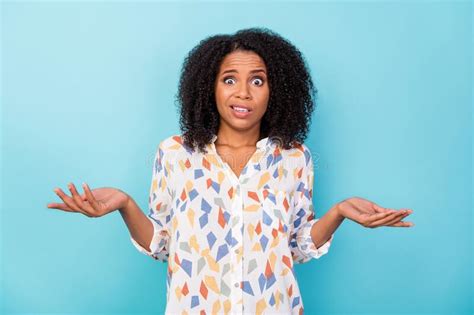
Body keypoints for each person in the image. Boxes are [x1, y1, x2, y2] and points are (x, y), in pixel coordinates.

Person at [47, 27, 414, 315]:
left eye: (257, 80)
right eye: (229, 79)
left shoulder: (293, 158)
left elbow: (297, 248)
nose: (243, 93)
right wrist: (125, 204)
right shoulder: (175, 154)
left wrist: (339, 213)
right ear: (209, 87)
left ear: (276, 90)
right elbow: (163, 245)